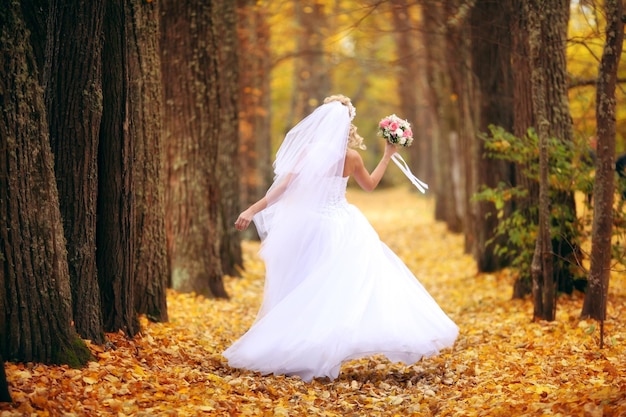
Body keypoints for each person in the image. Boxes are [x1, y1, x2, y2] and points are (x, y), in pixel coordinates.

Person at [223, 95, 458, 382]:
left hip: (309, 227)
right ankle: (325, 348)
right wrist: (387, 155)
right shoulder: (352, 158)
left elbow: (281, 189)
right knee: (340, 289)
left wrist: (252, 209)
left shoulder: (308, 152)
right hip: (343, 225)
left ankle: (301, 347)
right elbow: (370, 185)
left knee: (306, 289)